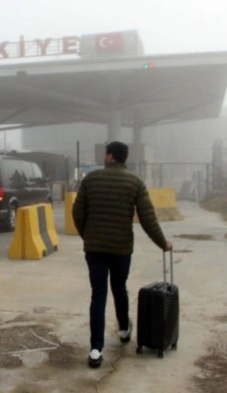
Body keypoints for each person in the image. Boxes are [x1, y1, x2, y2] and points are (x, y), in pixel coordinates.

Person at [72, 141, 172, 368]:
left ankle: (96, 350)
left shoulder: (91, 179)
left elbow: (77, 212)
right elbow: (148, 218)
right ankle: (124, 329)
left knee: (98, 295)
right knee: (119, 288)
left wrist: (88, 236)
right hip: (121, 249)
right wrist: (162, 243)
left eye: (105, 154)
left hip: (95, 250)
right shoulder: (135, 182)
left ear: (110, 157)